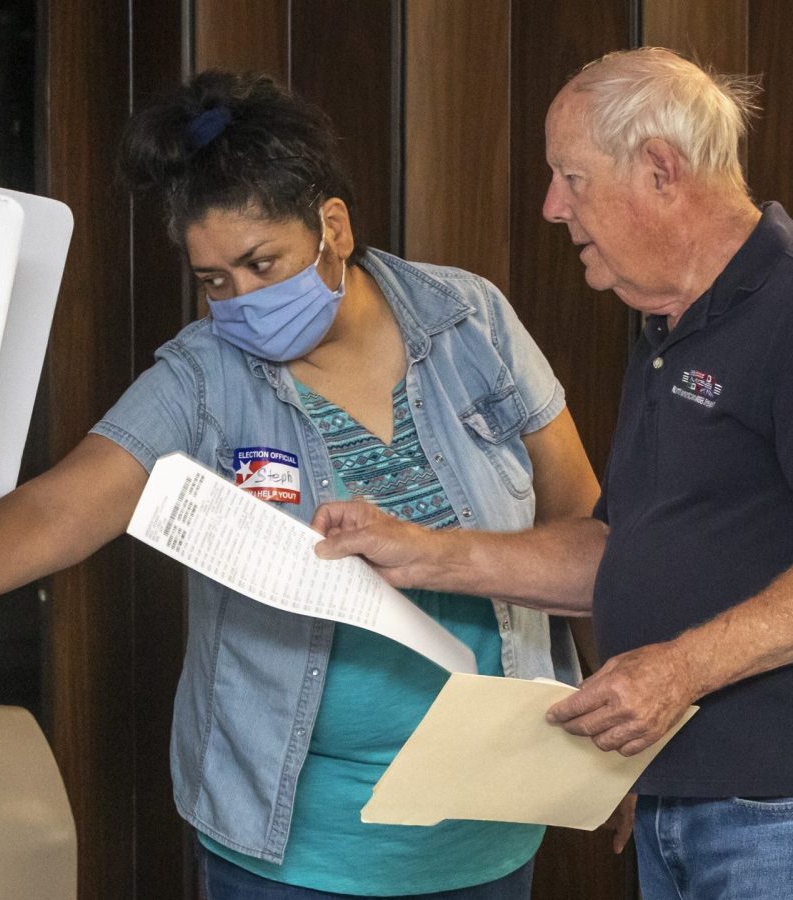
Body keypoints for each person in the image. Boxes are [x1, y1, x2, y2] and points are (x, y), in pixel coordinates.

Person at [0, 70, 600, 899]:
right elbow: (55, 513)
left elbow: (579, 519)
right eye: (214, 280)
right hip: (293, 852)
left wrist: (607, 733)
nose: (243, 301)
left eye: (263, 264)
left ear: (331, 224)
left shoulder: (468, 318)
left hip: (487, 828)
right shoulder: (202, 377)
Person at [314, 48, 793, 899]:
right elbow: (620, 550)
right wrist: (423, 553)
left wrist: (677, 669)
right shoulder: (665, 325)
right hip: (675, 804)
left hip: (771, 816)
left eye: (571, 177)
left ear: (660, 171)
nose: (551, 207)